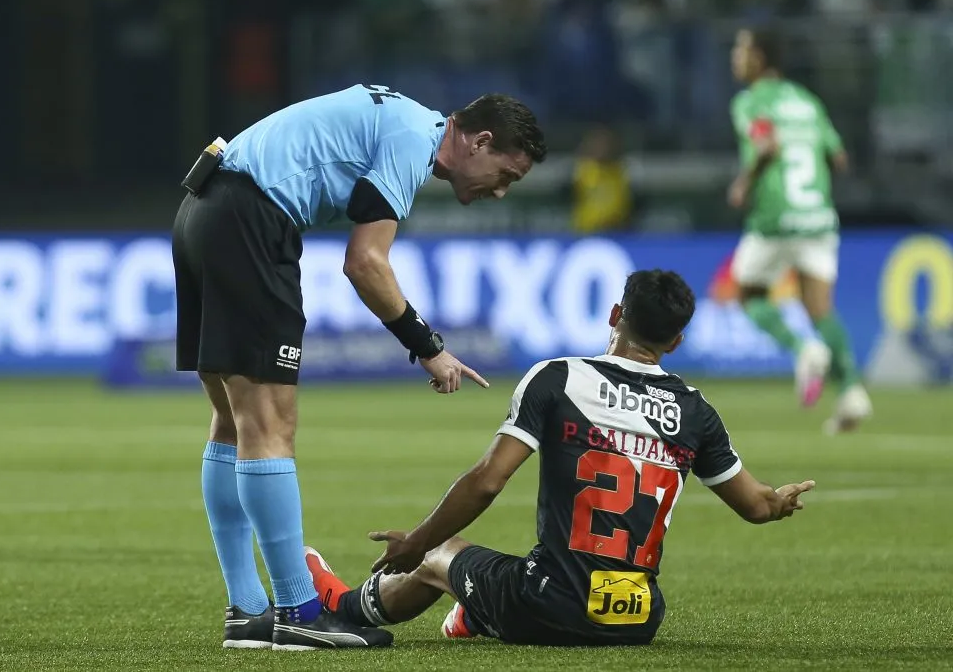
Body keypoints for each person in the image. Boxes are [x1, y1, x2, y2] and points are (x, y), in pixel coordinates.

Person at [171, 84, 547, 650]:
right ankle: (299, 610)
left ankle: (248, 610)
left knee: (233, 422)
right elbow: (365, 263)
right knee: (271, 428)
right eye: (506, 174)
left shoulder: (399, 120)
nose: (499, 192)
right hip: (250, 219)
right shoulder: (411, 138)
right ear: (478, 141)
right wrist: (428, 347)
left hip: (203, 207)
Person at [304, 269, 816, 647]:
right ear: (676, 341)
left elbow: (487, 481)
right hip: (636, 622)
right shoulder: (695, 411)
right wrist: (780, 501)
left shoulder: (561, 377)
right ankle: (477, 615)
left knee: (442, 554)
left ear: (615, 315)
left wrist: (417, 542)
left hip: (547, 604)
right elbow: (756, 506)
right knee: (495, 573)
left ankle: (342, 607)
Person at [727, 27, 872, 433]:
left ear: (760, 57)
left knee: (747, 293)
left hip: (775, 217)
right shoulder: (808, 102)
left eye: (741, 49)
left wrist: (744, 182)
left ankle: (802, 348)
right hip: (819, 216)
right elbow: (839, 158)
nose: (735, 57)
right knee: (820, 307)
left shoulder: (751, 100)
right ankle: (852, 392)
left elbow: (767, 146)